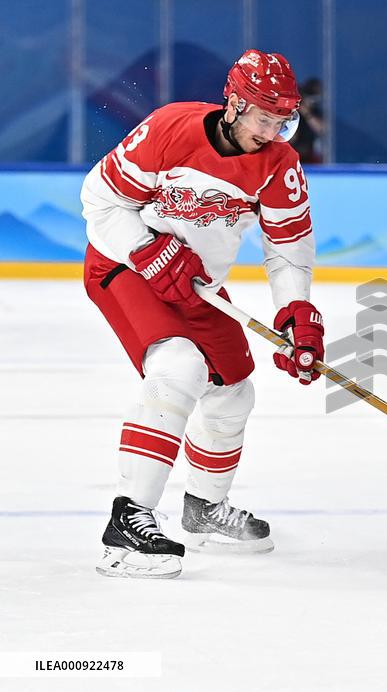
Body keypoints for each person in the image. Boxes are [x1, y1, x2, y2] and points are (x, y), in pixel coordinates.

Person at [80, 49, 325, 579]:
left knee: (234, 390)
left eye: (285, 119)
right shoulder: (170, 128)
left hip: (197, 288)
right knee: (178, 366)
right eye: (266, 117)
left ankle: (203, 508)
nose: (276, 130)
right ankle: (128, 523)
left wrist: (297, 312)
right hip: (126, 267)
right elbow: (99, 201)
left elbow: (289, 246)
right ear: (235, 103)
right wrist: (148, 250)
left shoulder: (279, 163)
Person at [289, 77, 325, 163]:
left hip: (309, 151)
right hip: (293, 150)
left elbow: (321, 128)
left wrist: (307, 113)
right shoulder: (293, 111)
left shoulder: (314, 111)